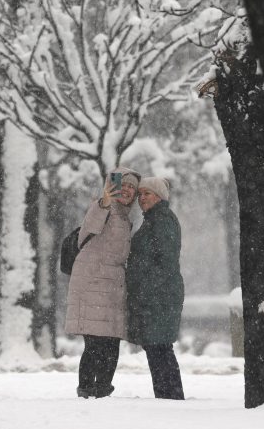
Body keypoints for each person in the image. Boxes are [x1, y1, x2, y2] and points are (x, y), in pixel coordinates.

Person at [65, 166, 141, 398]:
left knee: (111, 342)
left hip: (112, 286)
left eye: (132, 188)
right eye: (124, 185)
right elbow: (91, 223)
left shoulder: (126, 216)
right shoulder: (104, 207)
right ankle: (88, 388)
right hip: (93, 283)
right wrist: (105, 200)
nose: (127, 190)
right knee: (96, 342)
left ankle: (102, 388)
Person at [126, 177, 185, 400]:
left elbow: (166, 262)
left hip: (160, 297)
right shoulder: (153, 219)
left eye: (147, 194)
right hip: (155, 295)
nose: (142, 198)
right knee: (157, 348)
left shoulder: (163, 220)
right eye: (140, 194)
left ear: (159, 196)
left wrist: (145, 289)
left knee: (159, 348)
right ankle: (168, 397)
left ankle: (171, 398)